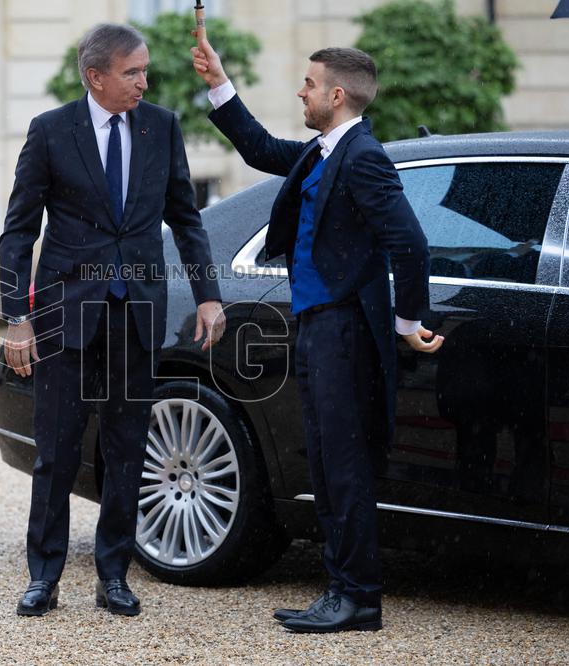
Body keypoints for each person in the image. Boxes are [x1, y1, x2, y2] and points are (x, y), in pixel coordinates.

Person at [192, 37, 444, 633]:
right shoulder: (324, 151)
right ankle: (340, 590)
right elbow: (258, 149)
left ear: (336, 94)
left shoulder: (363, 156)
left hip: (345, 332)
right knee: (326, 462)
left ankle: (358, 596)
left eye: (308, 84)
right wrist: (218, 82)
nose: (300, 92)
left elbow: (409, 243)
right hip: (315, 326)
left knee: (345, 466)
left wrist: (408, 321)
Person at [0, 23, 225, 618]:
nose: (143, 81)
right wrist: (15, 317)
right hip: (65, 316)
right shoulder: (50, 133)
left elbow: (186, 216)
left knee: (127, 449)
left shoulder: (162, 126)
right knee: (56, 450)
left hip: (137, 314)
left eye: (145, 70)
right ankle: (43, 577)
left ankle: (114, 576)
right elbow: (19, 231)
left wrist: (207, 294)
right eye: (132, 72)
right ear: (95, 76)